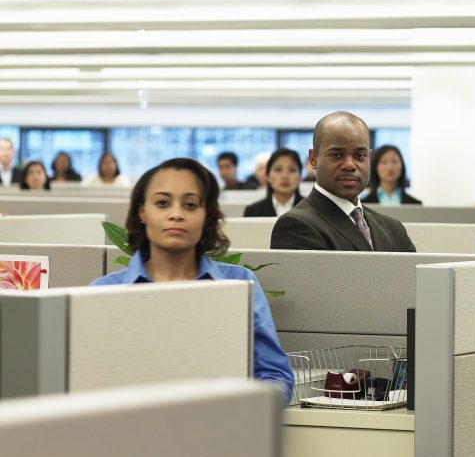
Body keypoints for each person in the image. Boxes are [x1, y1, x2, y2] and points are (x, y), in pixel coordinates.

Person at [90, 157, 294, 402]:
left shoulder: (239, 285)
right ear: (142, 211)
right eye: (163, 203)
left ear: (206, 214)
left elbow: (275, 376)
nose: (176, 214)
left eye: (190, 205)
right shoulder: (103, 293)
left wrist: (239, 409)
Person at [270, 112, 416, 252]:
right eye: (336, 155)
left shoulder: (394, 229)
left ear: (369, 158)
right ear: (313, 158)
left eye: (360, 155)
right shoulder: (296, 226)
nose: (350, 165)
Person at [244, 148, 304, 217]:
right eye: (278, 170)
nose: (285, 176)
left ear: (300, 177)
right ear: (268, 176)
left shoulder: (312, 210)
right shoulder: (253, 211)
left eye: (292, 170)